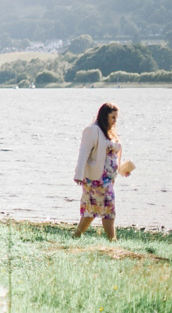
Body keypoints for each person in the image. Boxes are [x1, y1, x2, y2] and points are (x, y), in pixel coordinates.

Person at [73, 102, 133, 240]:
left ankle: (77, 235)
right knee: (108, 207)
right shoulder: (93, 130)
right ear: (104, 116)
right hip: (95, 179)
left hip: (108, 179)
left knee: (91, 209)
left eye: (116, 118)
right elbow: (84, 153)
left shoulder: (110, 132)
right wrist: (79, 174)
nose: (115, 121)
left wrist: (123, 169)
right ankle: (112, 240)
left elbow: (111, 157)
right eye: (112, 117)